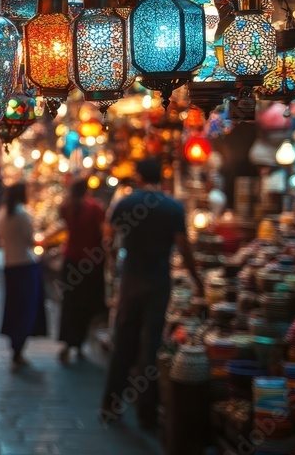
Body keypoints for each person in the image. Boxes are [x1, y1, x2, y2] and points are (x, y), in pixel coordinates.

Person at [100, 158, 202, 429]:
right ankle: (147, 412)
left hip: (131, 282)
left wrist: (112, 263)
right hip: (158, 283)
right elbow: (184, 247)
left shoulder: (125, 203)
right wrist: (197, 279)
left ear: (138, 176)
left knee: (123, 343)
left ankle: (110, 404)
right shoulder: (173, 206)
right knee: (151, 346)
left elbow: (107, 237)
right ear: (161, 177)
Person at [0, 183, 47, 366]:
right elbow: (30, 239)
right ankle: (19, 346)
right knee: (26, 307)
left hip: (10, 264)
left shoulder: (1, 214)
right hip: (25, 264)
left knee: (14, 307)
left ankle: (15, 344)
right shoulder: (22, 214)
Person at [56, 176, 107, 364]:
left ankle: (69, 342)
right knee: (88, 303)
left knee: (70, 302)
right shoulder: (95, 207)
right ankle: (80, 342)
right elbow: (103, 234)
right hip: (91, 263)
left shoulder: (66, 206)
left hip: (71, 261)